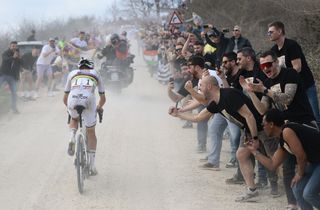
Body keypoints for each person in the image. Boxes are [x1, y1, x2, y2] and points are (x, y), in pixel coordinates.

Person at [169, 75, 273, 202]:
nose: (199, 89)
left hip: (263, 127)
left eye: (201, 86)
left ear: (209, 86)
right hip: (249, 130)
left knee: (272, 158)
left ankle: (277, 188)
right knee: (241, 155)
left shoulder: (229, 95)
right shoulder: (215, 102)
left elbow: (250, 116)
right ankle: (252, 190)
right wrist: (178, 114)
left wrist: (255, 137)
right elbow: (199, 118)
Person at [247, 108, 320, 210]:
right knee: (297, 189)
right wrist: (254, 151)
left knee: (309, 193)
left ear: (271, 124)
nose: (263, 127)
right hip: (316, 163)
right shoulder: (282, 139)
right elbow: (272, 165)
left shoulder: (287, 131)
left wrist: (299, 174)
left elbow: (301, 156)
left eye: (264, 124)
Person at [268, 21, 320, 129]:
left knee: (314, 116)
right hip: (288, 90)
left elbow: (297, 67)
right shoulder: (273, 51)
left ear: (280, 31)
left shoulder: (291, 45)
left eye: (271, 32)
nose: (269, 34)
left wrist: (285, 78)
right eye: (268, 33)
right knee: (295, 118)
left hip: (305, 85)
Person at [63, 58, 106, 175]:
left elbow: (64, 98)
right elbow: (103, 98)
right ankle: (92, 166)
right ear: (91, 67)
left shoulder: (72, 73)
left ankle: (72, 137)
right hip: (88, 99)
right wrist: (98, 107)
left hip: (72, 98)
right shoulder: (96, 73)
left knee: (74, 118)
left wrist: (70, 110)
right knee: (91, 132)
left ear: (79, 67)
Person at [0, 41, 22, 114]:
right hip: (3, 74)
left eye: (15, 46)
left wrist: (18, 58)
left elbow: (19, 65)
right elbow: (5, 60)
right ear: (10, 46)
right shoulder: (5, 53)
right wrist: (13, 57)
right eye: (12, 46)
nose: (14, 47)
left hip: (12, 76)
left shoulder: (17, 54)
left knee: (14, 93)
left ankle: (14, 108)